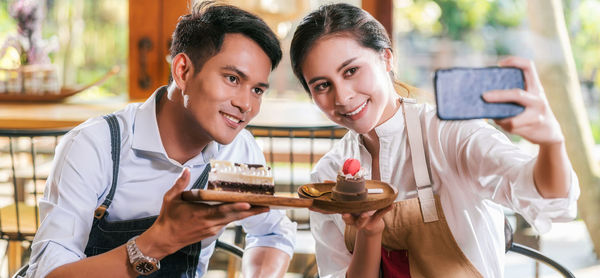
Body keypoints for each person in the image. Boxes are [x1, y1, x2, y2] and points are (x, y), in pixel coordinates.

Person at [290, 3, 579, 278]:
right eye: (323, 85)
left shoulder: (450, 134)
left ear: (387, 58)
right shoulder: (328, 175)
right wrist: (369, 231)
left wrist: (551, 143)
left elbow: (547, 197)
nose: (342, 97)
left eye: (351, 71)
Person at [23, 2, 296, 277]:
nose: (246, 105)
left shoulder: (237, 150)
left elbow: (272, 232)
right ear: (183, 71)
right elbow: (49, 273)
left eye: (258, 90)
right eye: (233, 78)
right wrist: (161, 240)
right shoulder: (94, 147)